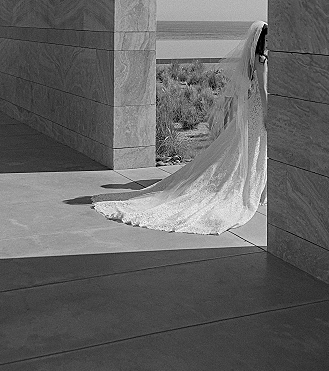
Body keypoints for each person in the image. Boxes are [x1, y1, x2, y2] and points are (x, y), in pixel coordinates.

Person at [91, 21, 268, 235]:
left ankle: (255, 189)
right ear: (261, 40)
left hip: (252, 110)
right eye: (269, 37)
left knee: (245, 150)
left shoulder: (253, 60)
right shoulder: (262, 60)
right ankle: (252, 191)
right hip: (260, 110)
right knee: (250, 150)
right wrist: (268, 114)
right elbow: (264, 90)